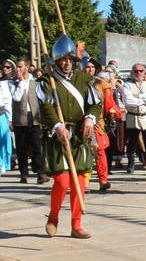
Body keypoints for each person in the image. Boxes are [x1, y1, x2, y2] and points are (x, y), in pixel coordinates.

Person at [38, 33, 101, 239]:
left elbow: (94, 103)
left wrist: (91, 118)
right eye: (63, 59)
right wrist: (56, 125)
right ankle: (53, 218)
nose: (67, 63)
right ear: (57, 60)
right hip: (58, 136)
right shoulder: (48, 81)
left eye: (70, 59)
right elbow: (45, 107)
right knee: (63, 182)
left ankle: (76, 225)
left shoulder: (83, 79)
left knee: (80, 182)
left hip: (79, 136)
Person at [10, 57, 46, 184]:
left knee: (36, 146)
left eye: (20, 67)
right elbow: (16, 97)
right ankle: (24, 174)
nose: (18, 69)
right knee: (21, 148)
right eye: (17, 67)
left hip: (34, 118)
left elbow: (42, 99)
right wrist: (20, 82)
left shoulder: (35, 81)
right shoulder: (13, 82)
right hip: (20, 119)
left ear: (27, 67)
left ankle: (40, 173)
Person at [122, 63, 146, 176]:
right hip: (133, 116)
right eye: (136, 71)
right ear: (132, 72)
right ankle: (131, 164)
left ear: (144, 72)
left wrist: (138, 96)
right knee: (132, 142)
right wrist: (144, 98)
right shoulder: (127, 85)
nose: (138, 73)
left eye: (141, 71)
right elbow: (128, 101)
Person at [0, 59, 15, 178]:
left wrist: (9, 119)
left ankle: (5, 163)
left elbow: (7, 102)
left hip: (3, 116)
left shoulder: (3, 85)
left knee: (6, 141)